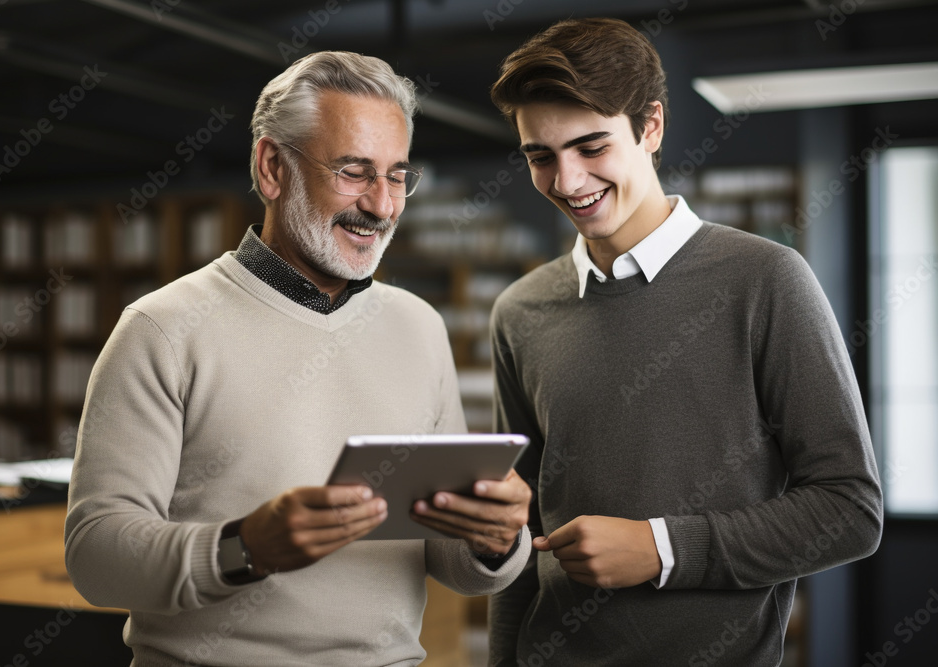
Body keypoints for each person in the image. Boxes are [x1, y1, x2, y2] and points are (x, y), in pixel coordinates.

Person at [64, 51, 532, 667]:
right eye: (354, 171)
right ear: (272, 168)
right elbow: (96, 558)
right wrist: (246, 548)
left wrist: (496, 542)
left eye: (396, 176)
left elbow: (449, 562)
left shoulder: (419, 326)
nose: (383, 206)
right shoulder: (163, 329)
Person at [485, 18, 883, 666]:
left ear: (652, 128)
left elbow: (850, 508)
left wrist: (663, 546)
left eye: (591, 146)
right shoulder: (518, 312)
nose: (566, 180)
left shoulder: (766, 280)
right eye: (540, 156)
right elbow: (522, 531)